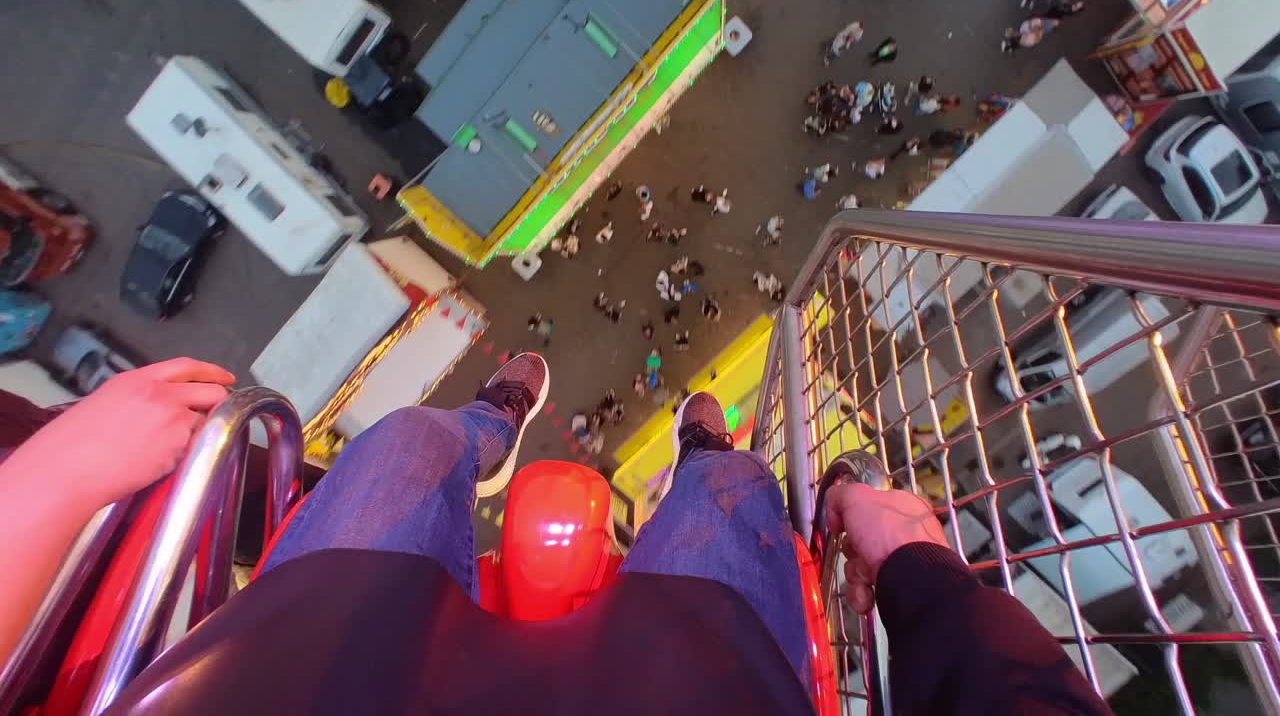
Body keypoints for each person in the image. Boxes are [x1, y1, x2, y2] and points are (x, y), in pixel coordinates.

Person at [0, 358, 1114, 715]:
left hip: (300, 682)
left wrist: (51, 477)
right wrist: (913, 561)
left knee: (404, 446)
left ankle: (488, 423)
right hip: (685, 689)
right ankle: (703, 450)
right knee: (731, 495)